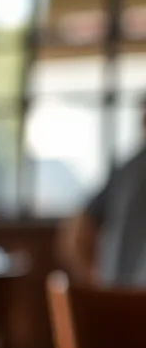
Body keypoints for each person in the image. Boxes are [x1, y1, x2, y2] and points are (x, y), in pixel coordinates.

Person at [59, 101, 146, 286]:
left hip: (118, 292)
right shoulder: (129, 170)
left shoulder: (128, 169)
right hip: (122, 289)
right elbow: (78, 229)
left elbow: (77, 230)